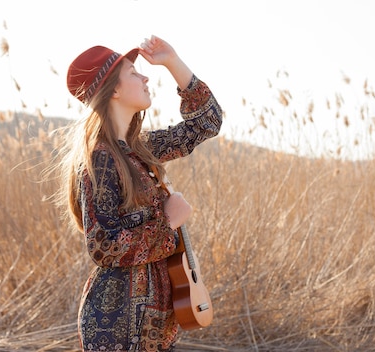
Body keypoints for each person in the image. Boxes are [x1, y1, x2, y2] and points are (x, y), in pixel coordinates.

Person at [57, 35, 223, 351]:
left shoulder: (140, 149)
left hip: (157, 323)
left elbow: (207, 123)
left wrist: (174, 62)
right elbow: (103, 247)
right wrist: (168, 221)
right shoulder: (100, 158)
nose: (146, 76)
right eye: (134, 72)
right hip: (118, 323)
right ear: (114, 90)